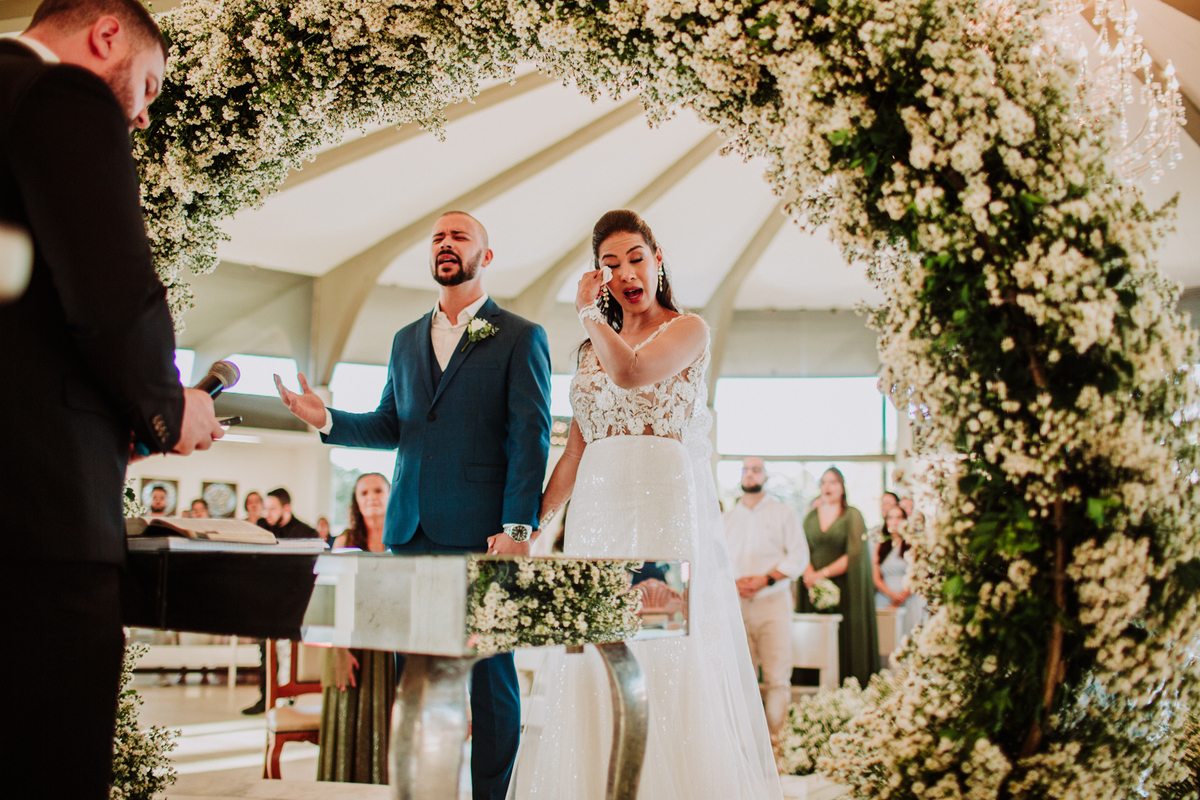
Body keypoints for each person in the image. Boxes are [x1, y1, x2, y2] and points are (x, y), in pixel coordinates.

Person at [0, 1, 225, 795]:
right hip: (34, 519)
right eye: (151, 86)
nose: (141, 115)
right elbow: (110, 295)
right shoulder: (58, 97)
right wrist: (167, 408)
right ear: (106, 37)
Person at [275, 210, 551, 800]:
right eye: (438, 238)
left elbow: (531, 436)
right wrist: (322, 416)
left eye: (460, 237)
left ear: (486, 257)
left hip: (484, 533)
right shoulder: (404, 339)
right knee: (416, 678)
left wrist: (518, 525)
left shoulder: (521, 336)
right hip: (411, 530)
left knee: (490, 678)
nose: (446, 245)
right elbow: (387, 425)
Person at [514, 210, 781, 799]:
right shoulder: (590, 351)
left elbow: (633, 375)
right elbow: (574, 451)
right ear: (599, 274)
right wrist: (531, 526)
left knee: (657, 643)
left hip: (660, 511)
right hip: (595, 517)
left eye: (635, 257)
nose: (626, 272)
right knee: (594, 653)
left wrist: (588, 312)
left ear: (659, 260)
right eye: (610, 264)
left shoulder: (689, 330)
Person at [723, 457, 809, 754]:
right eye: (745, 470)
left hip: (772, 602)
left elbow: (798, 556)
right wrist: (733, 583)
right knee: (741, 676)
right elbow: (717, 561)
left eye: (756, 469)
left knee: (776, 677)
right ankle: (746, 748)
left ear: (766, 476)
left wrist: (765, 579)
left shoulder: (783, 514)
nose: (750, 474)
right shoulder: (728, 518)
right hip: (736, 604)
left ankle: (776, 745)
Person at [318, 473, 395, 783]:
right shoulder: (344, 540)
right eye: (364, 492)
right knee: (348, 725)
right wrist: (338, 650)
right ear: (356, 500)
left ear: (392, 496)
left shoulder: (402, 539)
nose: (372, 497)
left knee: (387, 725)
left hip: (391, 645)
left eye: (378, 490)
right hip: (347, 643)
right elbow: (329, 599)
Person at [797, 468, 879, 688]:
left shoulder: (852, 515)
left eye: (833, 482)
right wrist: (810, 575)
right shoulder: (811, 517)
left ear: (842, 487)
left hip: (845, 587)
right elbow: (801, 548)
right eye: (823, 482)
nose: (827, 487)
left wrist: (821, 575)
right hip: (812, 586)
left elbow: (854, 554)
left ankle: (847, 687)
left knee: (844, 638)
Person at [873, 504, 927, 643]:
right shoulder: (880, 546)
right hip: (885, 598)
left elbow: (919, 573)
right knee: (886, 641)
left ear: (905, 520)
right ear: (886, 522)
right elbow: (876, 577)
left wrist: (902, 596)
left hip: (909, 598)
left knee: (909, 639)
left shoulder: (913, 544)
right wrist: (892, 596)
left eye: (899, 517)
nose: (895, 521)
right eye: (890, 518)